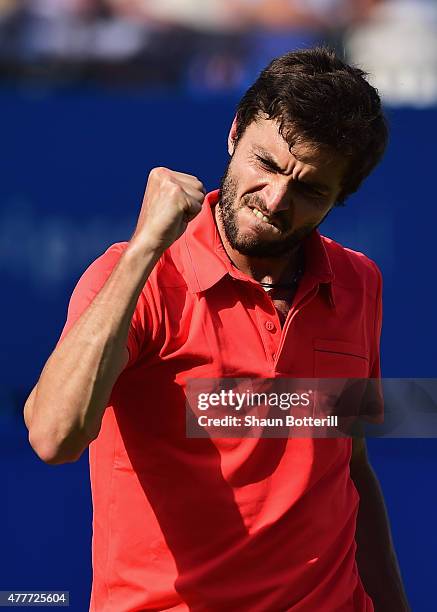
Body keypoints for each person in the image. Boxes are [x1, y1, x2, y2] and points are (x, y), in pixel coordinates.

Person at [24, 47, 410, 611]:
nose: (275, 200)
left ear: (340, 198)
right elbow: (54, 438)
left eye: (310, 190)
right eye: (267, 164)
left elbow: (349, 469)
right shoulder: (133, 273)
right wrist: (144, 251)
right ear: (233, 134)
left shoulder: (359, 282)